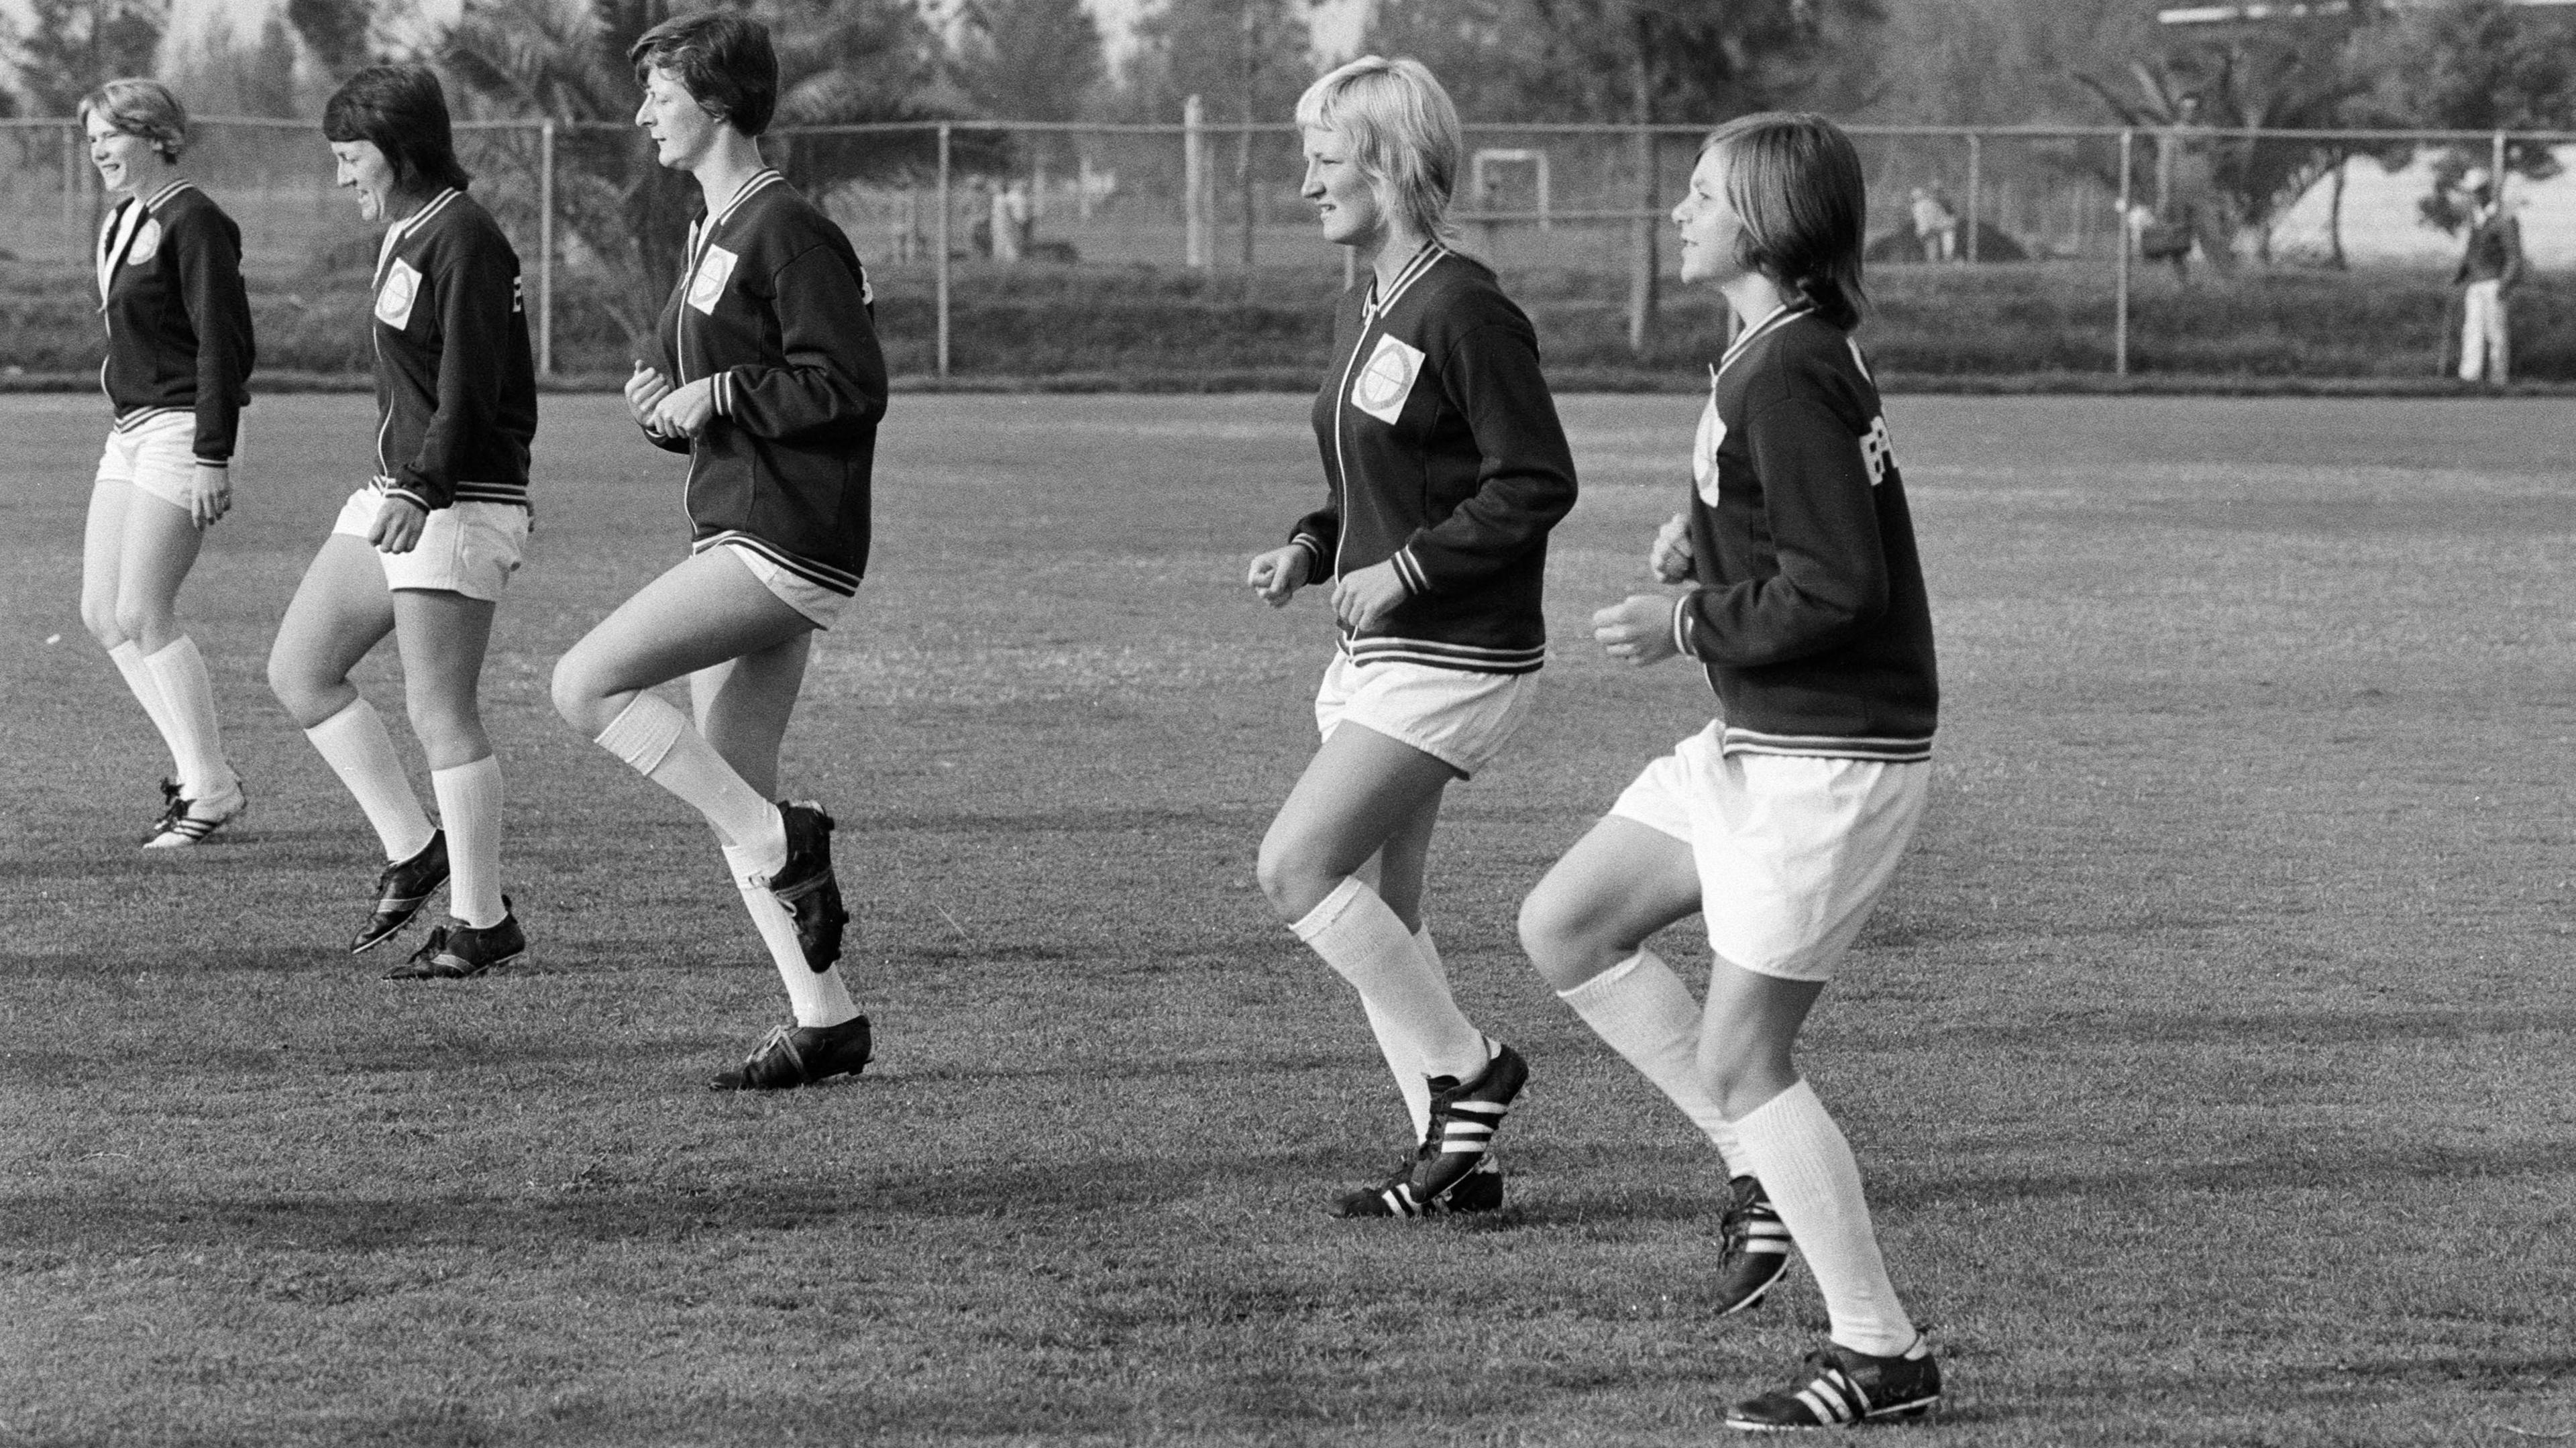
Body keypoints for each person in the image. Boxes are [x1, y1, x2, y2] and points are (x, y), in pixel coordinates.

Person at [1515, 113, 1942, 1429]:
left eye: (1703, 193)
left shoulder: (1787, 369)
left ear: (1763, 223)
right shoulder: (1776, 355)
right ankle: (1756, 1166)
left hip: (1829, 752)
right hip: (1762, 738)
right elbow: (1800, 523)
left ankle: (1883, 1349)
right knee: (1567, 926)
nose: (1680, 209)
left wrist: (1688, 616)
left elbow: (1840, 582)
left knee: (1747, 1053)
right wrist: (1700, 531)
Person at [1244, 55, 1578, 1219]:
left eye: (1325, 161)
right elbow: (1382, 476)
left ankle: (1472, 1074)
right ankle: (1461, 1165)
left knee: (1296, 866)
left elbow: (1536, 480)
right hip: (1390, 648)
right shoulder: (1370, 303)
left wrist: (1409, 571)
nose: (1306, 185)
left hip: (1459, 652)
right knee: (1387, 906)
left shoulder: (1466, 304)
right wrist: (1312, 541)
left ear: (1388, 165)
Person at [552, 9, 882, 1091]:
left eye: (662, 91)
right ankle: (823, 1017)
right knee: (732, 782)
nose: (643, 110)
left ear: (722, 102)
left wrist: (721, 392)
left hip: (785, 536)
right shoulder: (710, 228)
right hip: (742, 522)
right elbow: (686, 383)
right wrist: (662, 405)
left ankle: (789, 841)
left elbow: (848, 386)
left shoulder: (786, 226)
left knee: (583, 684)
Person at [266, 65, 537, 980]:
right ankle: (417, 849)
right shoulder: (407, 233)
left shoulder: (463, 235)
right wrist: (403, 484)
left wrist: (423, 486)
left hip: (456, 498)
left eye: (352, 157)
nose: (343, 176)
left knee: (439, 710)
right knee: (300, 670)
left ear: (401, 149)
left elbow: (470, 386)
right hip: (399, 488)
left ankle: (479, 919)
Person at [77, 78, 254, 848]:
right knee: (100, 612)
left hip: (185, 428)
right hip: (131, 429)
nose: (99, 153)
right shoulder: (121, 218)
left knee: (146, 611)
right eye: (91, 141)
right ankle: (200, 773)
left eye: (110, 136)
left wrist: (214, 452)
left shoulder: (196, 218)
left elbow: (225, 344)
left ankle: (209, 788)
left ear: (153, 134)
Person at [2453, 167, 2523, 384]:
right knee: (2472, 330)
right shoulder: (2476, 219)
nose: (2473, 196)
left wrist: (2506, 283)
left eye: (2476, 192)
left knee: (2495, 332)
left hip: (2495, 283)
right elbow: (2471, 252)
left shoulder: (2502, 218)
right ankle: (2469, 377)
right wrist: (2460, 275)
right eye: (2471, 192)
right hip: (2475, 283)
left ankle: (2498, 378)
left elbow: (2514, 256)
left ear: (2485, 191)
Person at [1906, 184, 1955, 264]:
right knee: (1934, 242)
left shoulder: (1917, 206)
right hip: (1933, 227)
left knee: (1933, 243)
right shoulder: (1926, 204)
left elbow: (1927, 219)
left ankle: (1936, 260)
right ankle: (1939, 260)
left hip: (1930, 228)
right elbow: (1932, 218)